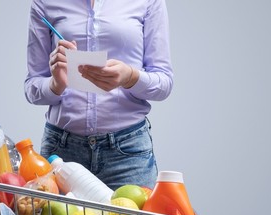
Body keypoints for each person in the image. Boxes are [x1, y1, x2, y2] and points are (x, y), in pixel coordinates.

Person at [24, 0, 173, 190]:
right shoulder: (44, 3)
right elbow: (32, 86)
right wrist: (56, 84)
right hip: (61, 153)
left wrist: (129, 77)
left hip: (128, 154)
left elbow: (164, 82)